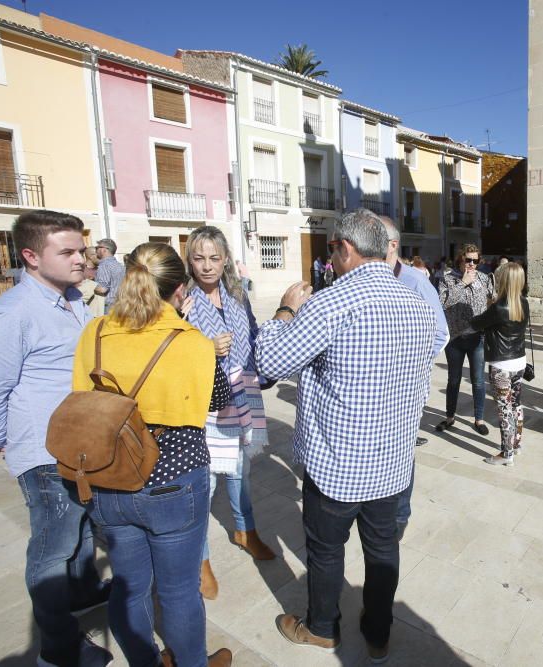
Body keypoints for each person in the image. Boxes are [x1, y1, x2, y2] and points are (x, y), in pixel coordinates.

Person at [254, 209, 435, 662]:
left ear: (346, 249)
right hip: (392, 462)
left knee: (326, 549)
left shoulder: (331, 303)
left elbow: (270, 364)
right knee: (382, 549)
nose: (330, 258)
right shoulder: (417, 303)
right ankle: (378, 632)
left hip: (338, 463)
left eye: (332, 249)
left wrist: (284, 311)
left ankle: (321, 628)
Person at [72, 242, 233, 667]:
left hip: (110, 475)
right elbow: (217, 400)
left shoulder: (96, 332)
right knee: (179, 590)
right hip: (174, 478)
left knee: (129, 586)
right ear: (179, 289)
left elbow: (81, 397)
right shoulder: (192, 340)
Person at [0, 211, 112, 666]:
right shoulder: (11, 315)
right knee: (51, 549)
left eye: (81, 251)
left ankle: (84, 590)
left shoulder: (71, 300)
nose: (79, 260)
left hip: (78, 443)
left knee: (82, 524)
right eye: (66, 252)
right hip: (44, 452)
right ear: (30, 256)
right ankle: (59, 651)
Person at [183, 226, 275, 600]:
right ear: (189, 260)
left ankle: (245, 531)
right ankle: (199, 559)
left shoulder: (237, 294)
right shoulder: (181, 299)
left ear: (225, 260)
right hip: (205, 401)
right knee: (203, 484)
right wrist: (204, 347)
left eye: (214, 258)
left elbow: (252, 335)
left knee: (241, 471)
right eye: (199, 258)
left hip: (243, 392)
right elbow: (167, 349)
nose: (207, 266)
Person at [381, 216, 448, 539]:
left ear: (392, 245)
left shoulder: (416, 282)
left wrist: (408, 366)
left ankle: (399, 518)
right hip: (374, 388)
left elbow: (441, 334)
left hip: (406, 388)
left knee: (402, 450)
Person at [470, 262, 529, 466]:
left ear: (503, 280)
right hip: (519, 361)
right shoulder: (523, 302)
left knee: (504, 408)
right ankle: (516, 444)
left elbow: (476, 323)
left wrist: (486, 305)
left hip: (501, 364)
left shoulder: (498, 307)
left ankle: (506, 454)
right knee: (516, 405)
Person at [437, 244, 494, 435]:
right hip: (455, 338)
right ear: (460, 259)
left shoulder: (484, 278)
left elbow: (492, 300)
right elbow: (443, 303)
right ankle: (450, 417)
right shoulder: (448, 279)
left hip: (477, 337)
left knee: (478, 380)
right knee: (453, 379)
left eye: (475, 261)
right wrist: (462, 283)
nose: (471, 264)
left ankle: (479, 419)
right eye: (468, 259)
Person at [93, 238, 124, 311]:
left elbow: (102, 289)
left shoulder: (104, 265)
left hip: (109, 306)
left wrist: (89, 285)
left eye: (97, 248)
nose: (96, 250)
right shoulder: (120, 266)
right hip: (121, 304)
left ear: (104, 249)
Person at [77, 249, 105, 317]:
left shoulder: (102, 269)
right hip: (89, 313)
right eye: (98, 256)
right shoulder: (81, 271)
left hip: (102, 311)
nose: (101, 258)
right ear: (91, 256)